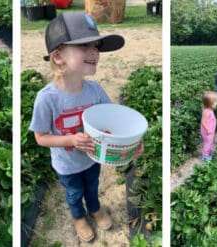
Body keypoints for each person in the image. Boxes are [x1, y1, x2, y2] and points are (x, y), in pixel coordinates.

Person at [29, 12, 125, 242]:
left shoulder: (96, 91)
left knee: (92, 187)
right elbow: (41, 137)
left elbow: (115, 121)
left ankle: (94, 208)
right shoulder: (47, 98)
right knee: (74, 193)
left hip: (92, 159)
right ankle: (78, 216)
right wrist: (70, 140)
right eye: (84, 45)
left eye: (96, 46)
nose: (94, 52)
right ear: (58, 56)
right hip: (66, 164)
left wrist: (130, 144)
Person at [200, 91, 217, 161]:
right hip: (207, 131)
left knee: (210, 141)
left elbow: (209, 118)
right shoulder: (207, 112)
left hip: (210, 130)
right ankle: (205, 156)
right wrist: (208, 129)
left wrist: (214, 119)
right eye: (216, 102)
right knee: (207, 143)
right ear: (210, 104)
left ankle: (209, 151)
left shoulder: (209, 109)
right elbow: (203, 122)